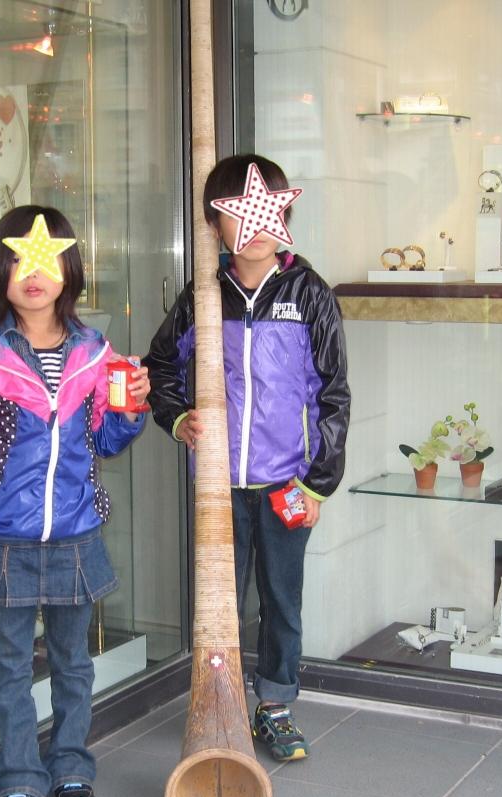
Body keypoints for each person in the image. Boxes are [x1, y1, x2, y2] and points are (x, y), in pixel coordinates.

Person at [144, 153, 350, 761]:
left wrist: (317, 484)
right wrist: (178, 418)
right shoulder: (204, 297)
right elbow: (160, 366)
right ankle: (221, 701)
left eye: (269, 211)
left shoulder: (309, 295)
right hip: (219, 486)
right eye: (241, 213)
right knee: (221, 604)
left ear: (285, 215)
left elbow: (333, 393)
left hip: (287, 483)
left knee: (282, 598)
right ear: (214, 225)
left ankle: (276, 704)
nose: (257, 227)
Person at [0, 205, 148, 797]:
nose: (33, 275)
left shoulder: (94, 351)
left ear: (69, 269)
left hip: (75, 532)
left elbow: (104, 440)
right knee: (10, 667)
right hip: (3, 536)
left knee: (72, 664)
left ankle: (70, 766)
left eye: (46, 261)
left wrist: (130, 411)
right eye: (18, 262)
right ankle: (17, 773)